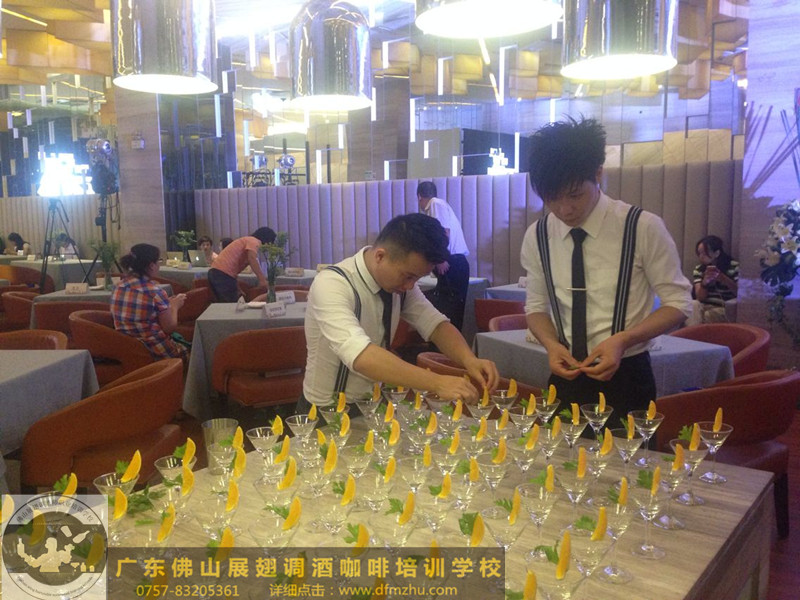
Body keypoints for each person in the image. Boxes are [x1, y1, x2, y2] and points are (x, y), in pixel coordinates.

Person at [520, 118, 692, 417]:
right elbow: (536, 307)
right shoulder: (538, 235)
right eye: (551, 198)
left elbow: (678, 304)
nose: (564, 209)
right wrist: (550, 344)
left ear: (598, 173)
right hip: (564, 377)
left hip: (628, 377)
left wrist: (623, 340)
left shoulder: (642, 227)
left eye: (575, 195)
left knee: (628, 449)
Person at [302, 213, 499, 408]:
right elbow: (361, 355)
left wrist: (469, 359)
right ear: (380, 256)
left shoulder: (401, 287)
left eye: (417, 279)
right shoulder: (332, 283)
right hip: (325, 410)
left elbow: (436, 325)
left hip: (373, 404)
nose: (411, 286)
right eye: (408, 276)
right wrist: (438, 382)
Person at [111, 243, 188, 360]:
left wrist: (167, 304)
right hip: (153, 349)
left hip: (126, 348)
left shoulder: (118, 286)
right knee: (189, 352)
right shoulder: (155, 292)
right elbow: (169, 327)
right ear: (152, 265)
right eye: (159, 261)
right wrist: (175, 306)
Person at [417, 181, 471, 331]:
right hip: (455, 262)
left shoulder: (435, 204)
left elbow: (443, 232)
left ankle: (446, 345)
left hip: (451, 262)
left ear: (419, 196)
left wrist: (440, 258)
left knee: (448, 312)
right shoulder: (439, 204)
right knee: (451, 311)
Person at [207, 227, 275, 302]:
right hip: (222, 274)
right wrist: (262, 279)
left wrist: (237, 288)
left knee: (224, 303)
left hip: (215, 272)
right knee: (231, 305)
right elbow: (252, 259)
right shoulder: (254, 241)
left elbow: (232, 267)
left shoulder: (246, 240)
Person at [693, 235, 738, 310]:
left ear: (717, 253)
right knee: (693, 304)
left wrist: (723, 279)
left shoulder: (733, 267)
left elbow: (740, 293)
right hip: (703, 306)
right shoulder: (699, 270)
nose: (701, 257)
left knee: (708, 315)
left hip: (722, 307)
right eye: (699, 253)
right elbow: (700, 298)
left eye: (704, 253)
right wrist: (704, 283)